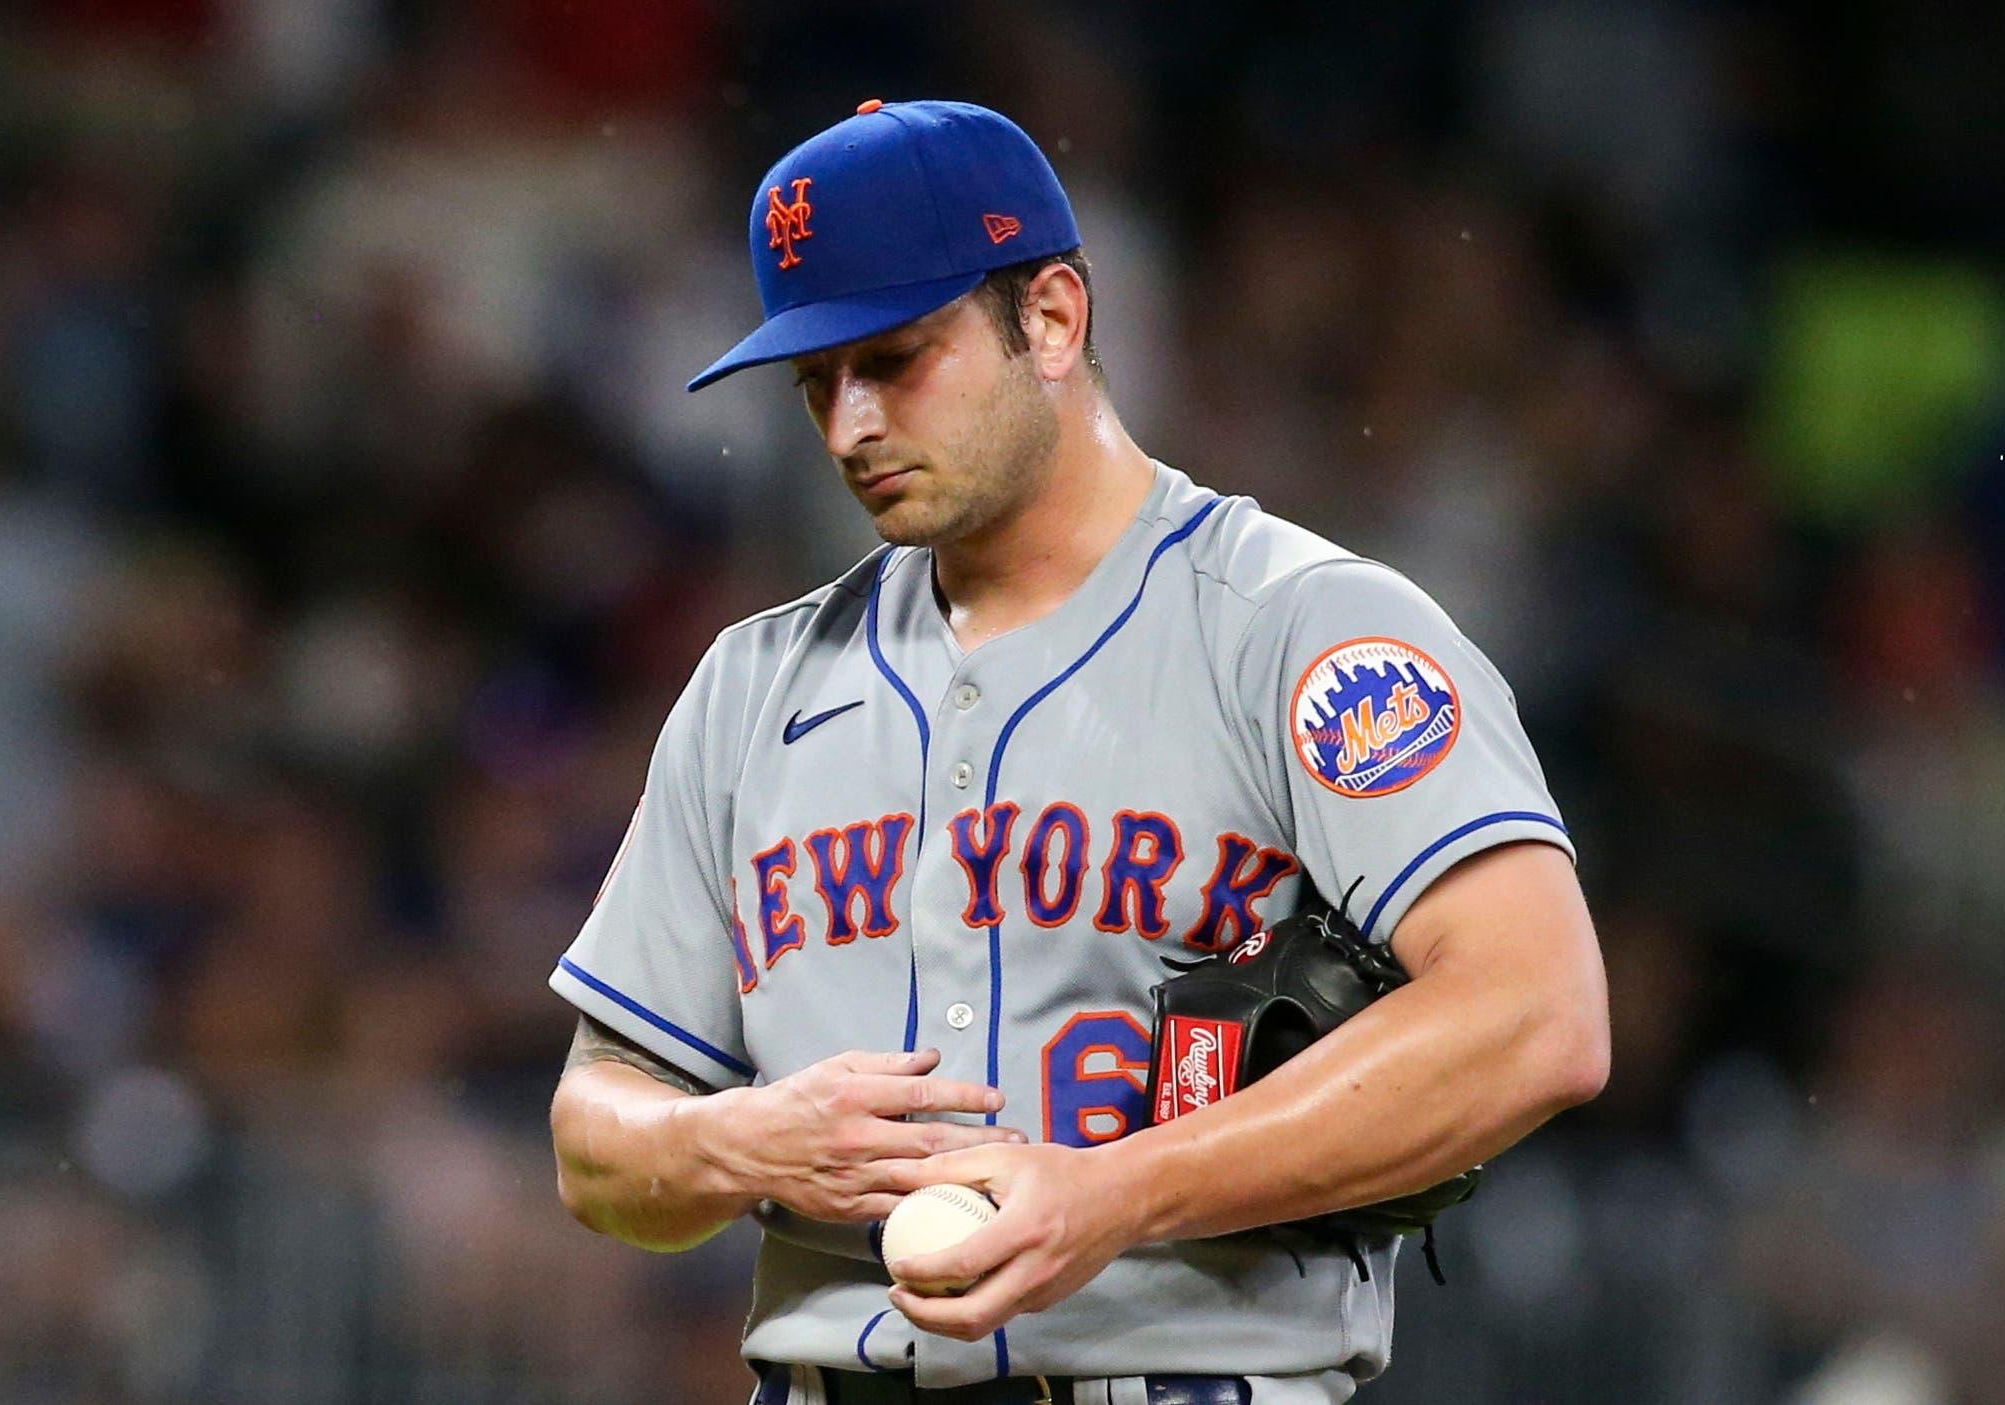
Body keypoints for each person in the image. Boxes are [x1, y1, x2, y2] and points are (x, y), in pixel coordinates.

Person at [546, 98, 1610, 1405]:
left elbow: (1537, 1014)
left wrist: (1119, 1191)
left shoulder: (1298, 630)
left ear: (1051, 317)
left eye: (891, 358)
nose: (846, 428)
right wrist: (732, 1138)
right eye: (816, 380)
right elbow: (596, 1138)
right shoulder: (749, 686)